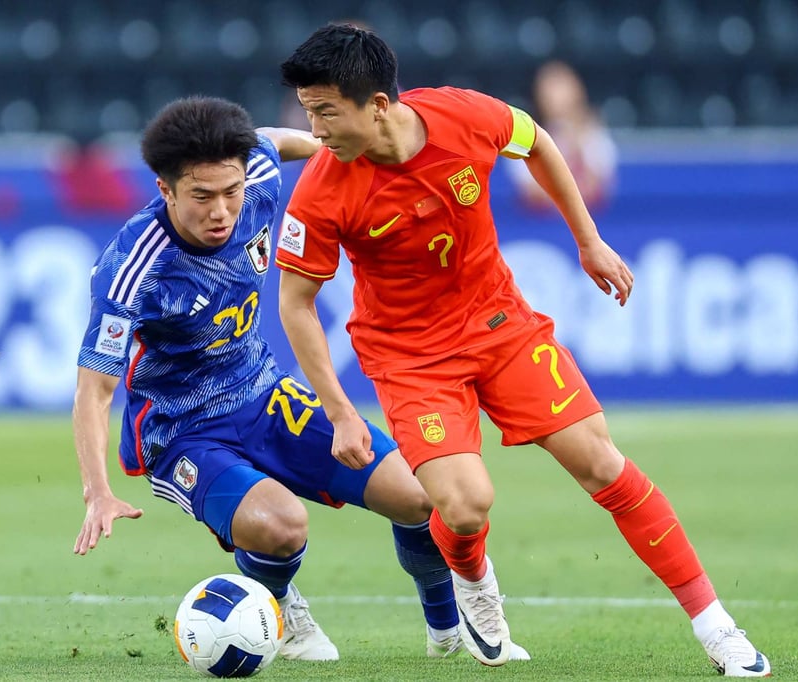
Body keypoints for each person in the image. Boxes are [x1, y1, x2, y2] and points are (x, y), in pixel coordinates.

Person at [274, 24, 771, 676]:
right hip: (410, 357)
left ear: (377, 105)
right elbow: (296, 302)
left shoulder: (462, 116)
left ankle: (718, 630)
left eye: (325, 112)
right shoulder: (323, 185)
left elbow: (536, 141)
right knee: (465, 502)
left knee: (601, 462)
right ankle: (475, 585)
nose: (314, 130)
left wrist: (588, 240)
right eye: (309, 113)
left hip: (500, 325)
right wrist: (340, 410)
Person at [71, 95, 526, 662]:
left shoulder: (256, 173)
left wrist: (342, 151)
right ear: (165, 190)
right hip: (184, 431)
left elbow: (273, 139)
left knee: (419, 497)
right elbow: (96, 390)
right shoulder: (133, 267)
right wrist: (98, 494)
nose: (222, 211)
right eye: (201, 196)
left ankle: (446, 635)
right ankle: (279, 609)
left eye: (231, 192)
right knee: (283, 525)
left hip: (265, 393)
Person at [508, 59, 617, 212]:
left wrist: (576, 143)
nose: (557, 97)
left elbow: (597, 190)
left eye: (562, 87)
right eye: (549, 89)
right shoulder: (523, 135)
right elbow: (531, 193)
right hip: (539, 228)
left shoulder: (595, 136)